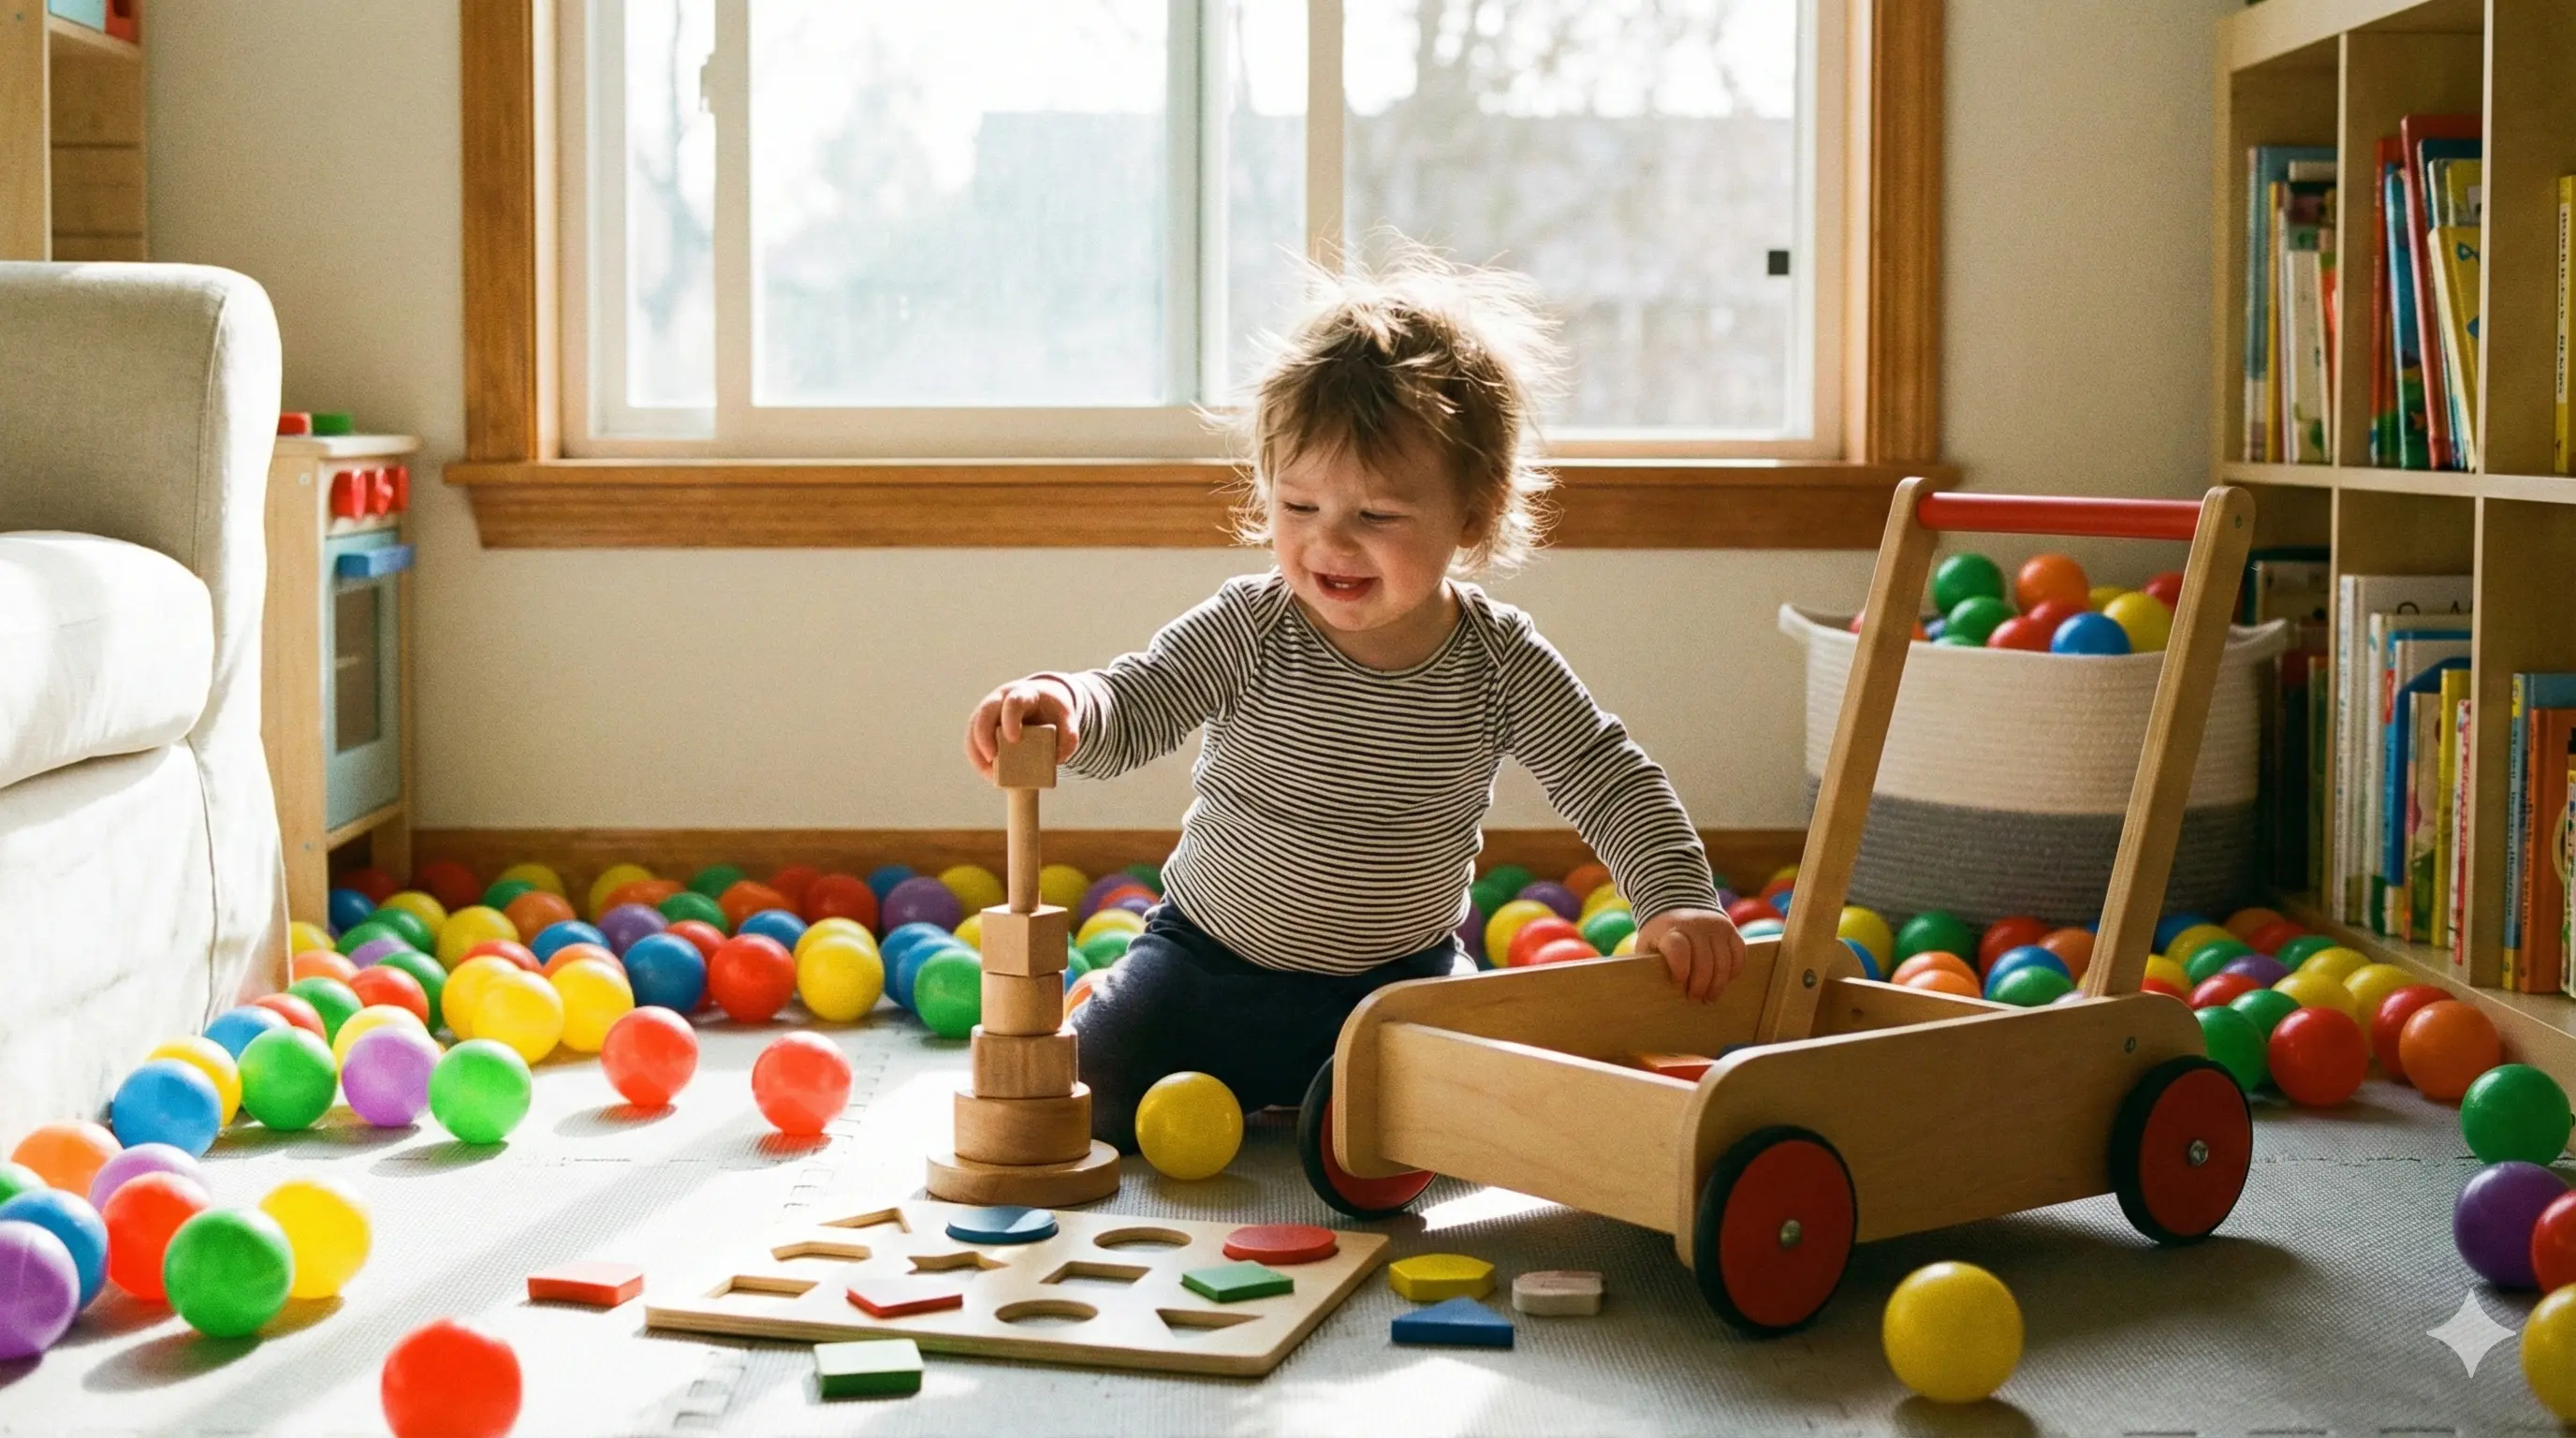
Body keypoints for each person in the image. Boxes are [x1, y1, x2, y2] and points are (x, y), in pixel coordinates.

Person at [963, 246, 1740, 1149]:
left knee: (1489, 1118)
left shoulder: (1498, 661)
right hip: (1210, 963)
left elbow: (1608, 780)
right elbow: (1140, 700)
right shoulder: (1253, 625)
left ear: (1473, 518)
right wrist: (1069, 703)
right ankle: (1188, 1039)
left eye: (1375, 516)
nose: (1329, 543)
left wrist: (1676, 897)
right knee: (1079, 1094)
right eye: (1298, 508)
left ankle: (1332, 1095)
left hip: (1398, 983)